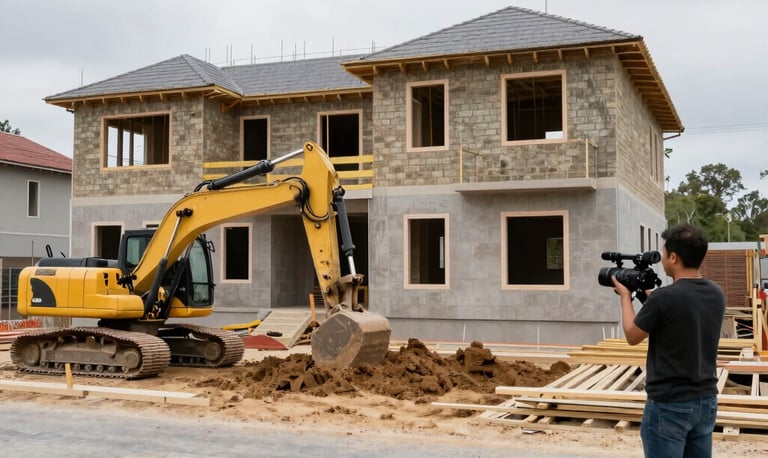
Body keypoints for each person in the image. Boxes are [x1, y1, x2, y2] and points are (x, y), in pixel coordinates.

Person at [612, 223, 725, 458]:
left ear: (674, 257)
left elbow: (632, 335)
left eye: (664, 253)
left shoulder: (664, 299)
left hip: (670, 405)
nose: (662, 258)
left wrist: (625, 296)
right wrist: (650, 298)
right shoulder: (716, 293)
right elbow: (679, 312)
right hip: (706, 400)